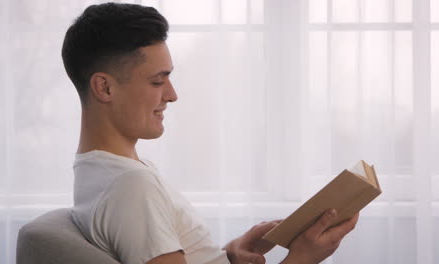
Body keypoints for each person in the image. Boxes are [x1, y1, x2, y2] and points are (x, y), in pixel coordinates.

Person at [62, 3, 359, 264]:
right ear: (105, 88)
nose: (172, 94)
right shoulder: (131, 186)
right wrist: (303, 259)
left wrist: (228, 254)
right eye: (157, 82)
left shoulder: (99, 172)